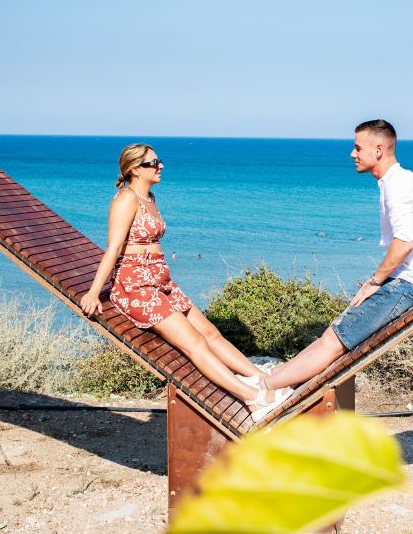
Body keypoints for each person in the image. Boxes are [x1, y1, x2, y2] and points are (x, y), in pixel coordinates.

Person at [80, 143, 290, 421]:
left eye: (158, 161)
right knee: (195, 343)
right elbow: (114, 247)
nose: (160, 166)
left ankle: (262, 380)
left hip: (160, 281)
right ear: (134, 170)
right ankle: (252, 399)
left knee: (211, 333)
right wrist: (94, 292)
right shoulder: (125, 200)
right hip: (136, 287)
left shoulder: (149, 198)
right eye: (152, 163)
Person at [265, 119, 413, 391]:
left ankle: (262, 389)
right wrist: (381, 281)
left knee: (333, 342)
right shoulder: (399, 181)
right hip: (408, 280)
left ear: (379, 149)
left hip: (409, 286)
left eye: (358, 148)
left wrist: (375, 282)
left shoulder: (398, 186)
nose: (352, 154)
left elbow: (405, 241)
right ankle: (277, 375)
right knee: (332, 334)